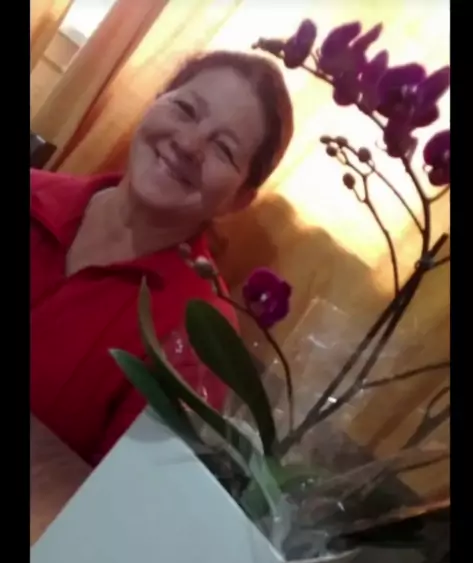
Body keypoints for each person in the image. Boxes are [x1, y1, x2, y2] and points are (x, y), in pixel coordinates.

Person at [30, 50, 294, 466]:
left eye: (223, 149)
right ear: (155, 102)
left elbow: (110, 494)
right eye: (186, 109)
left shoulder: (200, 336)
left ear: (239, 199)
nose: (188, 144)